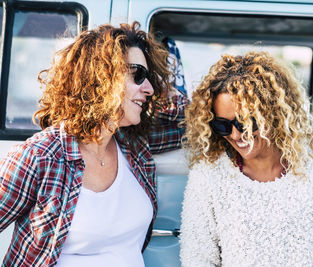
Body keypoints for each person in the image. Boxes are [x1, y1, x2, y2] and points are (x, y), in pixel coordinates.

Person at [0, 22, 187, 266]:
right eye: (138, 75)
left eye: (149, 78)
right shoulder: (41, 156)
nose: (150, 89)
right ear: (100, 78)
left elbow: (197, 119)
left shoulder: (134, 147)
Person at [180, 51, 313, 266]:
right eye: (222, 125)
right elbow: (198, 258)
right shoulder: (208, 174)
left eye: (246, 123)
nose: (236, 135)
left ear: (273, 114)